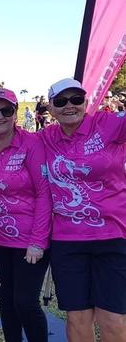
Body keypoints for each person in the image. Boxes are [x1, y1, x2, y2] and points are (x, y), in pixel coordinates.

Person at [41, 78, 126, 342]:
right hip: (67, 241)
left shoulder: (109, 125)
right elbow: (1, 133)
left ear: (86, 102)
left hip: (113, 237)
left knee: (111, 318)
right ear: (51, 109)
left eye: (76, 99)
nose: (70, 106)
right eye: (61, 101)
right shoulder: (45, 138)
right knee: (77, 318)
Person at [0, 88, 52, 342]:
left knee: (26, 302)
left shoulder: (31, 143)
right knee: (6, 301)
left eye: (6, 110)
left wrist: (38, 241)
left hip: (28, 240)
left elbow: (44, 193)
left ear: (15, 113)